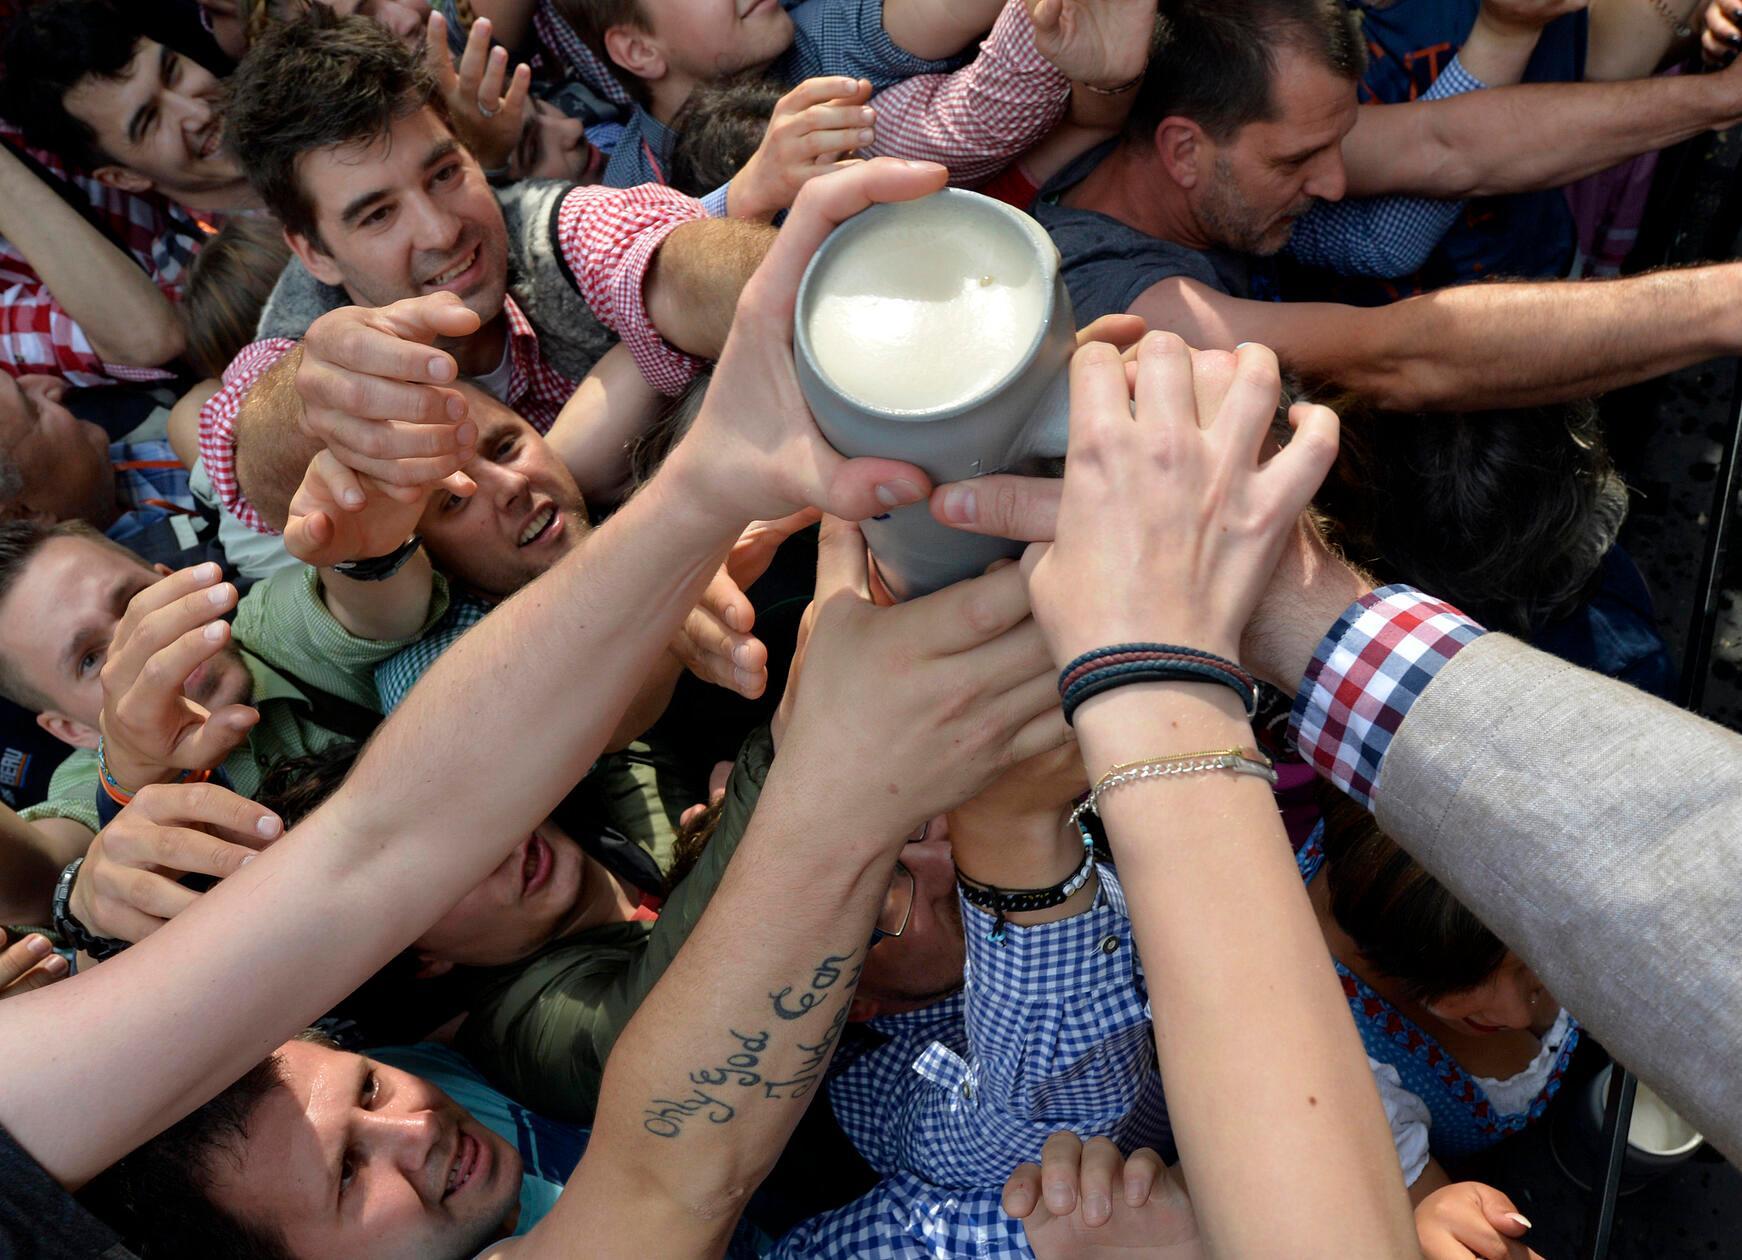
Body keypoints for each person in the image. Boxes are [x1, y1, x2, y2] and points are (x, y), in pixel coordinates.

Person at [0, 156, 1074, 1260]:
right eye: (345, 1174)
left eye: (369, 1095)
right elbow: (658, 1185)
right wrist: (826, 768)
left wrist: (709, 480)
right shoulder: (524, 1022)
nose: (411, 1130)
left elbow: (383, 841)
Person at [929, 387, 1742, 1168]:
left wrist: (1175, 665)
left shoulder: (1340, 870)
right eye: (1536, 973)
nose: (1528, 1008)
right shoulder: (1330, 1051)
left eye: (1543, 959)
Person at [200, 7, 775, 536]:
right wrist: (322, 407)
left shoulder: (548, 226)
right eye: (378, 215)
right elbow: (259, 451)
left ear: (473, 153)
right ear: (313, 252)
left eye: (444, 174)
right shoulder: (295, 340)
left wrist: (804, 291)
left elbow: (669, 261)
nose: (440, 231)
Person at [1034, 0, 1742, 411]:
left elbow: (1449, 142)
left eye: (1338, 146)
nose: (1336, 185)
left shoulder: (1224, 161)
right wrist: (1723, 304)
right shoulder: (1122, 301)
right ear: (1182, 149)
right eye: (1297, 162)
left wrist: (1720, 97)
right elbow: (1400, 355)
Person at [1306, 791, 1580, 1183]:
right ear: (1380, 954)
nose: (1518, 1015)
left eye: (1532, 958)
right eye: (1462, 982)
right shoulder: (1344, 1068)